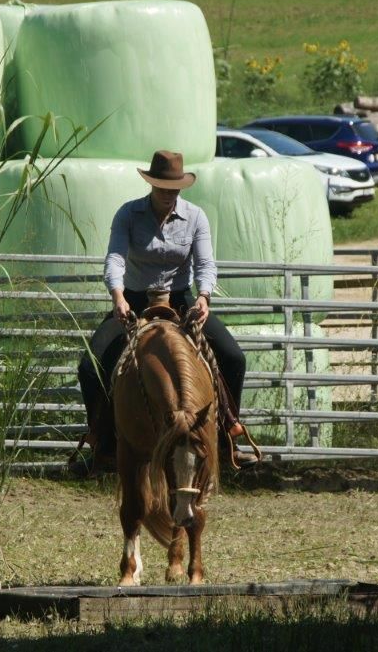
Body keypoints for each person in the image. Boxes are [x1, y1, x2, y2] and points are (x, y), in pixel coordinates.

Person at [75, 149, 259, 472]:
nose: (168, 194)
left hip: (181, 301)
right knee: (90, 366)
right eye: (162, 187)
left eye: (174, 188)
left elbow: (205, 264)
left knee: (233, 358)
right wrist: (118, 297)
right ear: (151, 184)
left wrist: (204, 298)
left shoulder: (196, 217)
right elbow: (115, 258)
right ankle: (101, 442)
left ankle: (226, 436)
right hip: (133, 301)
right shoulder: (128, 214)